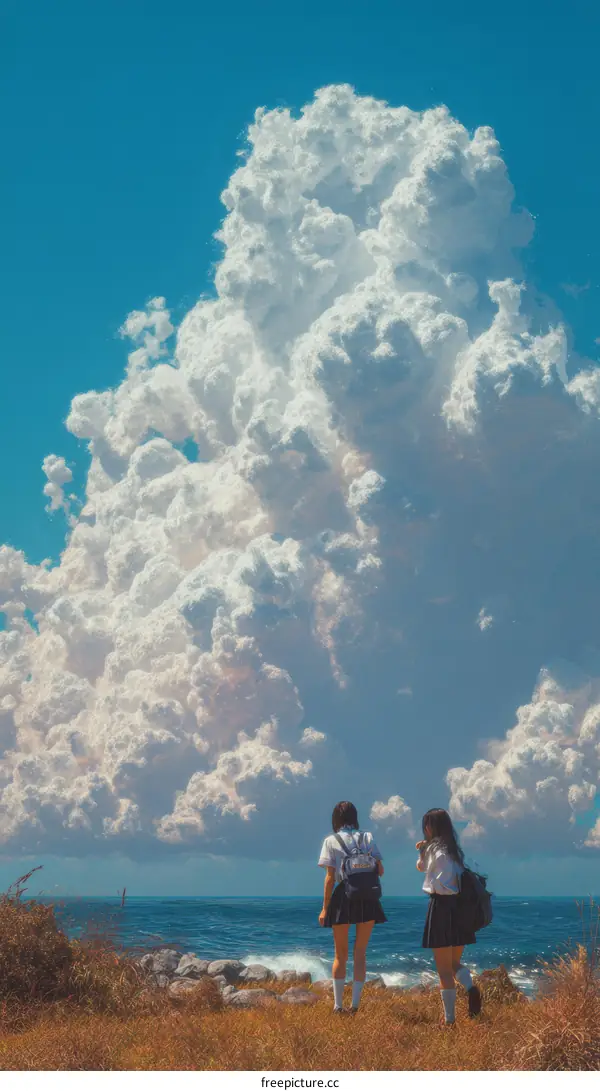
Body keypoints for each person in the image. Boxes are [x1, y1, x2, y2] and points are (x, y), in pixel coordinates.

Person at [318, 800, 386, 1014]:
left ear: (336, 819)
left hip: (343, 896)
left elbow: (330, 878)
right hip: (368, 896)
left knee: (340, 955)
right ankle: (355, 1006)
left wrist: (324, 908)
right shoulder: (368, 837)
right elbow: (380, 870)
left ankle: (338, 1006)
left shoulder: (331, 840)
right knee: (360, 953)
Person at [416, 807, 482, 1026]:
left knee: (444, 970)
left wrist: (422, 850)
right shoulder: (454, 850)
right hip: (459, 910)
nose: (425, 828)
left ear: (431, 827)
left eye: (426, 824)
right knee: (454, 963)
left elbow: (421, 867)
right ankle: (471, 989)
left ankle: (449, 1022)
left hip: (441, 908)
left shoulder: (433, 848)